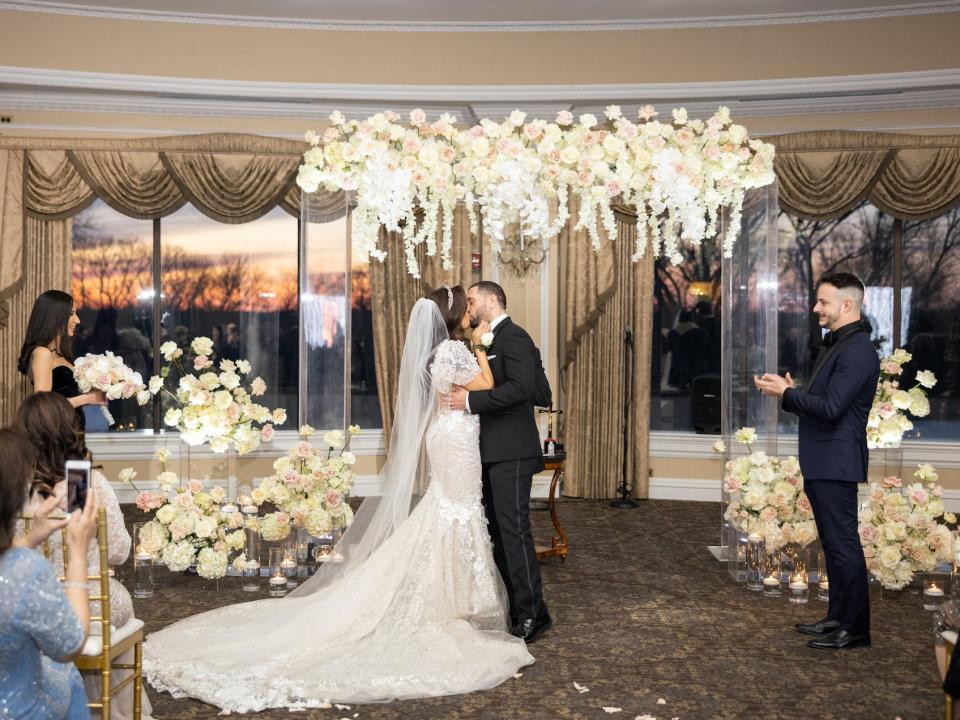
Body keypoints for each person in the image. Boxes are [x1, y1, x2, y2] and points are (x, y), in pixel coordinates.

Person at [142, 286, 534, 712]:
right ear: (456, 313)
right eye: (467, 304)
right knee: (458, 510)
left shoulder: (437, 352)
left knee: (449, 509)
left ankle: (451, 594)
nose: (472, 309)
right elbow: (488, 384)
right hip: (458, 438)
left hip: (448, 435)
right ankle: (455, 598)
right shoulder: (458, 351)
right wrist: (479, 351)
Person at [755, 271, 880, 650]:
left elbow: (831, 409)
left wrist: (787, 395)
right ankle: (838, 618)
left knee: (843, 546)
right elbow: (827, 400)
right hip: (825, 460)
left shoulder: (857, 349)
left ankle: (856, 629)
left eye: (823, 302)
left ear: (847, 305)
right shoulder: (839, 345)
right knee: (833, 544)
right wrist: (794, 390)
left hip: (836, 461)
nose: (816, 308)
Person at [17, 393, 153, 719]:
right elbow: (119, 552)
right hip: (95, 605)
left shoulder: (15, 487)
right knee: (112, 601)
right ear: (70, 430)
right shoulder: (91, 482)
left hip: (36, 602)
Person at [447, 280, 553, 644]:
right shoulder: (484, 338)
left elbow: (529, 391)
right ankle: (527, 608)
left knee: (514, 532)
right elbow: (537, 388)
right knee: (497, 534)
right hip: (488, 452)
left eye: (473, 299)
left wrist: (470, 403)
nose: (469, 306)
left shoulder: (514, 336)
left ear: (492, 300)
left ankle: (531, 616)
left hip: (513, 449)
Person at [0, 426, 99, 719]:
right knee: (66, 674)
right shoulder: (24, 570)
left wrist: (30, 538)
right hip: (18, 710)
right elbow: (68, 646)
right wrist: (78, 552)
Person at [17, 290, 107, 433]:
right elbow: (43, 407)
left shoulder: (62, 354)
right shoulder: (42, 353)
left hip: (72, 433)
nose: (77, 320)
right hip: (56, 437)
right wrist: (87, 398)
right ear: (55, 316)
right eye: (71, 314)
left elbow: (66, 396)